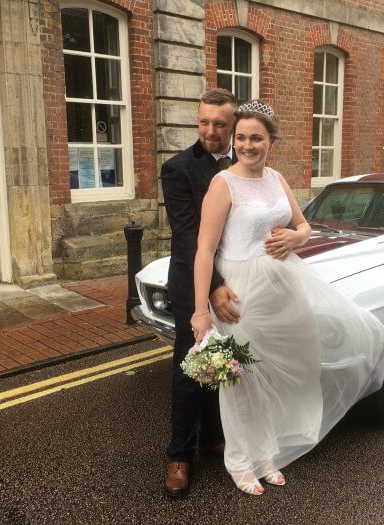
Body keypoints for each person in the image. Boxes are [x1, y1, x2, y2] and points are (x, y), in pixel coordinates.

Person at [191, 100, 384, 495]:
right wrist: (201, 310)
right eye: (241, 138)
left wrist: (295, 237)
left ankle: (265, 453)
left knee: (283, 373)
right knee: (243, 380)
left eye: (256, 138)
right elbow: (203, 250)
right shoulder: (223, 184)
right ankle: (239, 461)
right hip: (242, 291)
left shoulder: (277, 178)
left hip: (283, 288)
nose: (247, 145)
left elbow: (304, 226)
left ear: (271, 142)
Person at [161, 88, 242, 498]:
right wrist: (212, 290)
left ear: (233, 125)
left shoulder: (247, 163)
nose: (210, 131)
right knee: (190, 369)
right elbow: (189, 236)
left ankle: (212, 438)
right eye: (203, 122)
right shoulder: (177, 169)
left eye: (219, 124)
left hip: (237, 282)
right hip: (193, 283)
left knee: (222, 361)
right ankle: (179, 455)